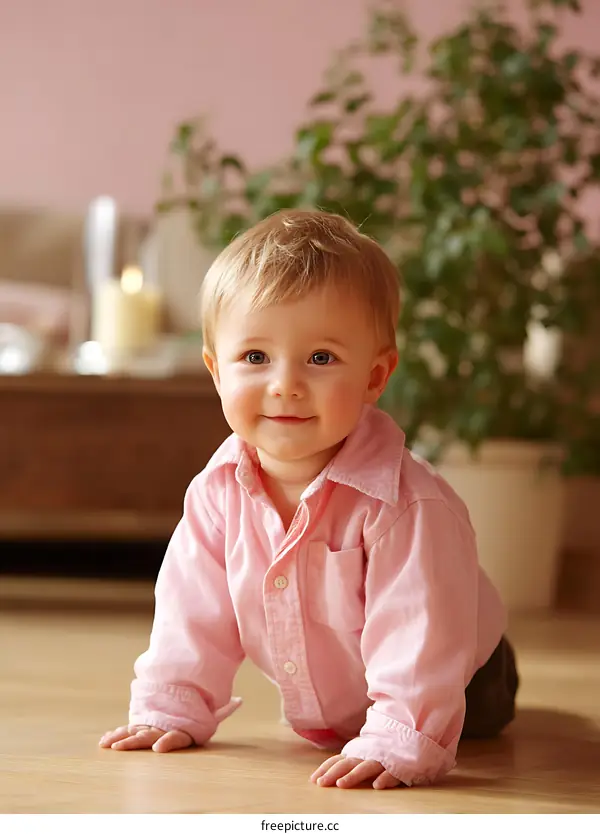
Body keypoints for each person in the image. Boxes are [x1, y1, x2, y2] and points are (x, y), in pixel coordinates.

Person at [99, 209, 518, 789]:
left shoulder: (405, 503)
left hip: (459, 672)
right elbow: (191, 610)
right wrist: (173, 703)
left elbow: (421, 630)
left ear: (375, 377)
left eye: (321, 358)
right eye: (255, 358)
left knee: (459, 719)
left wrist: (401, 734)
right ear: (216, 371)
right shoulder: (218, 493)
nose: (285, 384)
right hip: (338, 691)